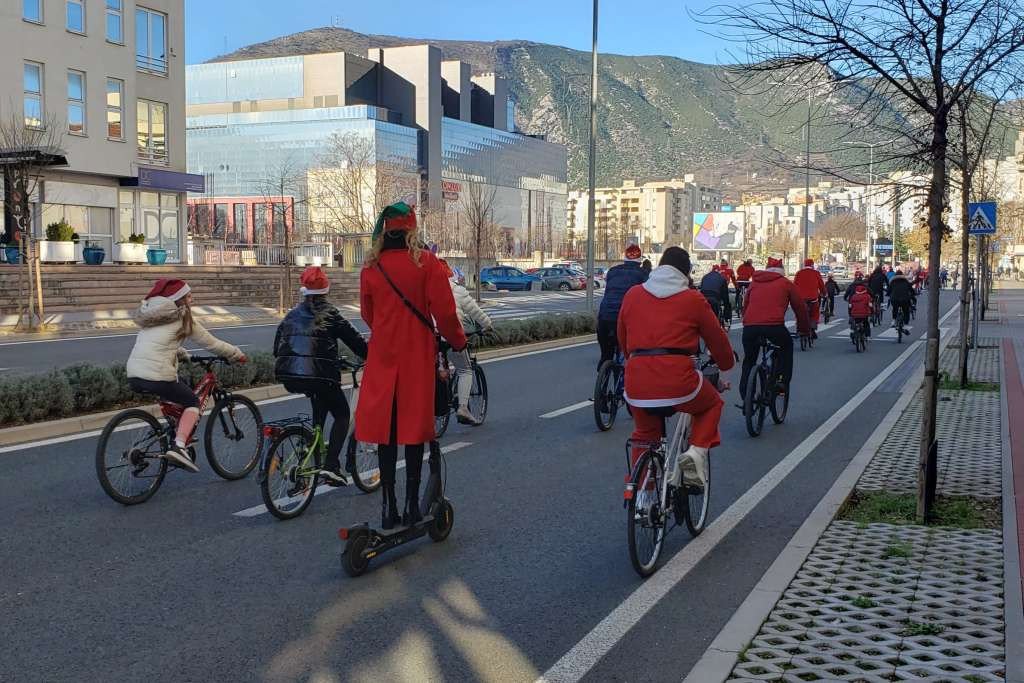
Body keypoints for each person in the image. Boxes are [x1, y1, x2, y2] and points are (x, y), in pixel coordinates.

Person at [356, 202, 467, 530]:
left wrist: (388, 327)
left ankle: (387, 506)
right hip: (415, 356)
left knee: (387, 432)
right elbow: (445, 312)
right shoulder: (426, 263)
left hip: (382, 356)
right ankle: (411, 507)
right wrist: (458, 342)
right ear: (411, 229)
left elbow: (367, 314)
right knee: (415, 430)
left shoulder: (371, 267)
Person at [618, 247, 735, 488]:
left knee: (644, 435)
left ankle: (642, 497)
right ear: (686, 273)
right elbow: (717, 340)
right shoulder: (692, 298)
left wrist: (634, 360)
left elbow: (623, 339)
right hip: (678, 381)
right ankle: (696, 453)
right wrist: (726, 363)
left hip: (637, 381)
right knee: (711, 404)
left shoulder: (633, 294)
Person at [126, 278, 246, 472]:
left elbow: (160, 343)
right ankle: (179, 445)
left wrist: (183, 354)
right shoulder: (183, 318)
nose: (192, 299)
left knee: (180, 384)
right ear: (179, 300)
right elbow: (211, 343)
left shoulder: (152, 317)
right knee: (192, 403)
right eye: (189, 296)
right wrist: (236, 354)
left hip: (134, 374)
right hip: (157, 375)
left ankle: (174, 431)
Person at [274, 267, 369, 484]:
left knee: (320, 400)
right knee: (343, 415)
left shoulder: (291, 314)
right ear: (326, 290)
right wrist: (371, 355)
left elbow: (277, 345)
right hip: (321, 376)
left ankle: (314, 448)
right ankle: (331, 466)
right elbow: (356, 342)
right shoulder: (331, 314)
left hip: (290, 374)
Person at [739, 257, 811, 398]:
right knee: (786, 347)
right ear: (781, 271)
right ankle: (782, 383)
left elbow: (745, 305)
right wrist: (804, 329)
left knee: (749, 360)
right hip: (774, 326)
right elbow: (800, 308)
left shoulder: (754, 283)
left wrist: (746, 322)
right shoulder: (785, 283)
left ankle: (746, 394)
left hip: (750, 327)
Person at [439, 258, 493, 425]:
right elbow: (475, 311)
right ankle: (462, 408)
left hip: (430, 338)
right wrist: (488, 325)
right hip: (450, 336)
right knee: (465, 370)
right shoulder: (458, 290)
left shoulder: (425, 289)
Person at [596, 245, 649, 367]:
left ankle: (604, 363)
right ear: (640, 260)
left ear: (625, 258)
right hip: (625, 318)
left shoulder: (612, 271)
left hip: (604, 315)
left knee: (606, 353)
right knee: (628, 353)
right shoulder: (643, 275)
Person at [793, 258, 827, 338]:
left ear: (804, 265)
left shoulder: (799, 273)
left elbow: (794, 286)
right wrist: (824, 294)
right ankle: (812, 329)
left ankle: (799, 329)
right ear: (812, 265)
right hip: (813, 299)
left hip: (801, 299)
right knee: (815, 313)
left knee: (800, 313)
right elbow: (821, 285)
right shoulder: (816, 273)